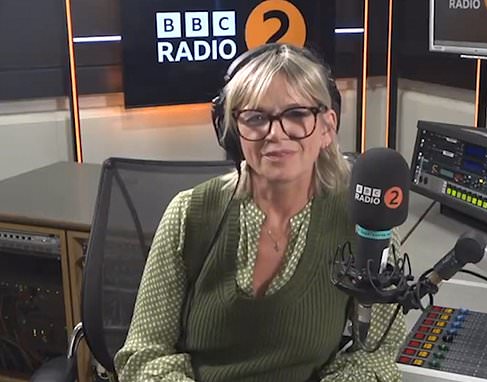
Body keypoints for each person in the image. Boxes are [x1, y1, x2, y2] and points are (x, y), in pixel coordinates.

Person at [113, 43, 406, 382]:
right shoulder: (188, 214)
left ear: (327, 128)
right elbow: (143, 355)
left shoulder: (365, 224)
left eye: (297, 115)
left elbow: (375, 357)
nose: (276, 134)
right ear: (235, 131)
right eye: (256, 118)